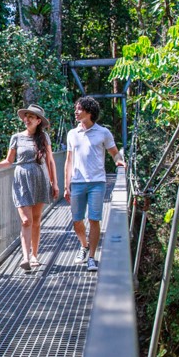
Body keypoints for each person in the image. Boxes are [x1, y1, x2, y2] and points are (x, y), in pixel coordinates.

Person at [0, 104, 59, 271]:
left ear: (38, 120)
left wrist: (55, 183)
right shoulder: (16, 137)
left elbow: (50, 161)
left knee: (37, 221)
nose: (27, 119)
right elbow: (9, 161)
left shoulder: (44, 138)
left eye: (31, 117)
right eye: (26, 116)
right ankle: (25, 257)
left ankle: (34, 255)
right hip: (22, 180)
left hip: (40, 178)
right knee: (26, 221)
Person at [64, 96, 125, 273]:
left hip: (97, 182)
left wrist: (119, 162)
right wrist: (66, 184)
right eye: (76, 108)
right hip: (77, 182)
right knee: (77, 221)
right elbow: (68, 161)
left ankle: (91, 257)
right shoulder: (72, 134)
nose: (76, 111)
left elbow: (114, 153)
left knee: (94, 219)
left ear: (89, 112)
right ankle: (84, 246)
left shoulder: (103, 132)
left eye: (79, 108)